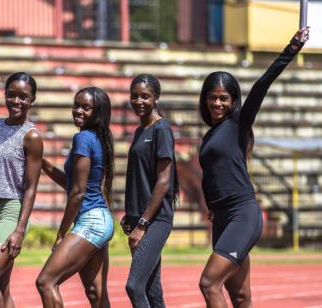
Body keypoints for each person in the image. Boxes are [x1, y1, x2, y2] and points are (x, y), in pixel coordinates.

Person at [197, 28, 309, 307]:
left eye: (224, 98)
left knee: (209, 283)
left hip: (242, 214)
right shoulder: (209, 137)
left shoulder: (238, 124)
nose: (217, 103)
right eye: (213, 97)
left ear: (233, 101)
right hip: (221, 218)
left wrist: (291, 49)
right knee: (240, 295)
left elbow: (261, 85)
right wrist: (211, 204)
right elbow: (209, 175)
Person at [36, 87, 114, 308]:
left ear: (97, 112)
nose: (78, 110)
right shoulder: (98, 138)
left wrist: (62, 233)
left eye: (85, 107)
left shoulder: (82, 138)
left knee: (46, 282)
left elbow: (78, 193)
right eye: (76, 105)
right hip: (100, 220)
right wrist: (41, 161)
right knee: (95, 292)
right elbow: (72, 184)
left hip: (91, 221)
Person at [0, 72, 43, 307]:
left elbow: (31, 188)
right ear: (5, 95)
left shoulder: (32, 136)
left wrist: (20, 230)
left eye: (23, 97)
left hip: (10, 211)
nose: (16, 101)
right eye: (11, 95)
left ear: (32, 99)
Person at [120, 74, 179, 307]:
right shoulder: (138, 131)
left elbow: (164, 181)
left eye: (145, 96)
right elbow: (139, 177)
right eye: (134, 96)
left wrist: (142, 224)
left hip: (155, 220)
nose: (138, 101)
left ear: (156, 98)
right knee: (153, 293)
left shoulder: (161, 130)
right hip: (139, 219)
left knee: (134, 286)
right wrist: (131, 216)